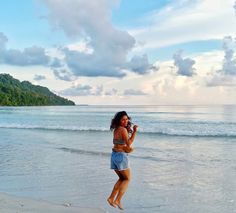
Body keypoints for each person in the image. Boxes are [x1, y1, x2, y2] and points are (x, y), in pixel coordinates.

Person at [107, 111, 138, 210]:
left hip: (114, 156)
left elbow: (119, 143)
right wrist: (134, 132)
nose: (125, 121)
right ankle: (117, 200)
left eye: (126, 119)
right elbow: (128, 143)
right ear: (119, 120)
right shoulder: (122, 130)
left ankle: (111, 198)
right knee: (127, 179)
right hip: (121, 156)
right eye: (123, 119)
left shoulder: (116, 129)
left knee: (121, 179)